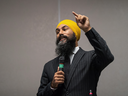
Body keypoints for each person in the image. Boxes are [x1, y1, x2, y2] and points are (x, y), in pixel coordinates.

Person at [37, 11, 114, 96]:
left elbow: (107, 56)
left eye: (64, 29)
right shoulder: (49, 66)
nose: (60, 33)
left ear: (75, 33)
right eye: (57, 32)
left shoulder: (90, 58)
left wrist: (87, 29)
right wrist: (52, 86)